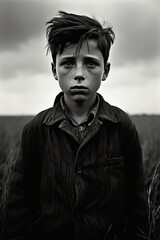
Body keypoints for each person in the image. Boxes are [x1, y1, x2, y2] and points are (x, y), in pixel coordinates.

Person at [2, 11, 149, 240]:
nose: (79, 74)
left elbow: (136, 207)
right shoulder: (36, 130)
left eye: (90, 63)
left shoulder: (122, 127)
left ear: (106, 71)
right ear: (54, 70)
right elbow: (20, 209)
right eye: (68, 63)